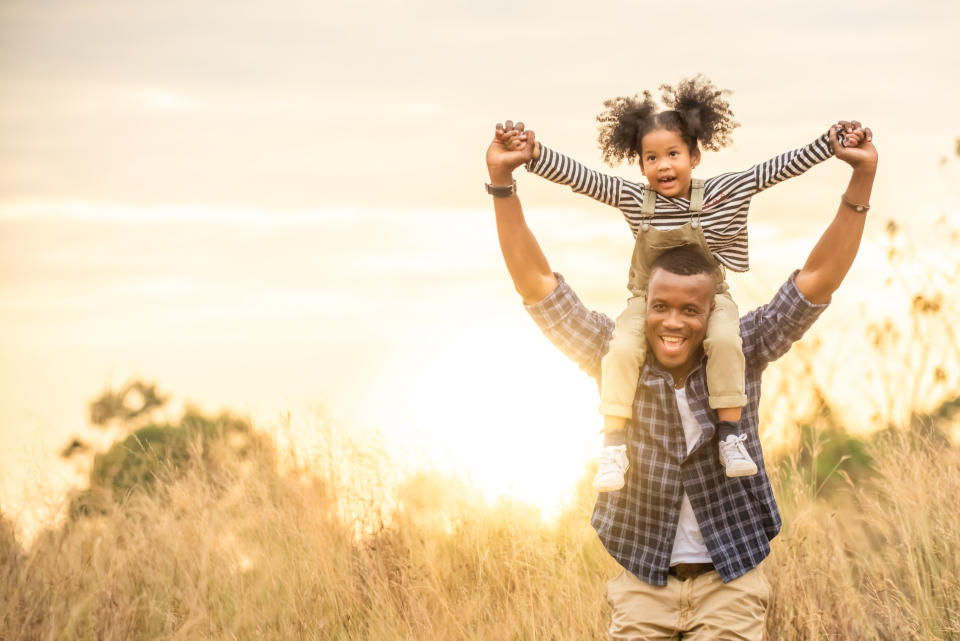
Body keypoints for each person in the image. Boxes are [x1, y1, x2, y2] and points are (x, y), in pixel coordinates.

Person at [485, 119, 876, 639]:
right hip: (643, 586)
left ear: (712, 312)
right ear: (643, 305)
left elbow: (817, 280)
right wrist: (503, 185)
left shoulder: (743, 347)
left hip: (730, 584)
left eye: (691, 310)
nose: (673, 321)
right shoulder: (613, 352)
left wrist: (861, 180)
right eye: (661, 307)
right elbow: (536, 285)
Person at [496, 76, 848, 493]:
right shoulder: (633, 199)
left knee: (727, 342)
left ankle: (731, 435)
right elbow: (583, 178)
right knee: (621, 349)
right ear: (640, 163)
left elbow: (771, 171)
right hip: (647, 300)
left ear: (695, 156)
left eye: (673, 154)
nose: (663, 166)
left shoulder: (721, 192)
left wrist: (829, 144)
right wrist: (531, 154)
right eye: (651, 158)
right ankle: (613, 443)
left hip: (712, 300)